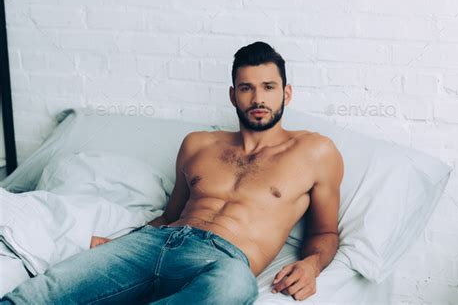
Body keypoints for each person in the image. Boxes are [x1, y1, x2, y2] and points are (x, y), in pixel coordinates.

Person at [1, 41, 343, 304]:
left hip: (224, 260)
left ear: (286, 93)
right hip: (153, 244)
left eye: (268, 87)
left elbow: (326, 233)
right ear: (232, 95)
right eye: (246, 87)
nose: (258, 98)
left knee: (234, 288)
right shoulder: (198, 145)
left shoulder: (315, 152)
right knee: (42, 291)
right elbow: (169, 216)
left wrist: (311, 265)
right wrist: (116, 245)